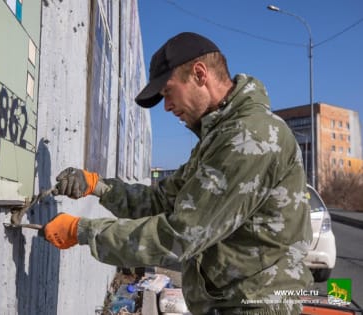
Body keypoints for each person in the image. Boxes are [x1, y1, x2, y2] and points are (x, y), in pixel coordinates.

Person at [44, 32, 313, 315]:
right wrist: (98, 186)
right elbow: (162, 200)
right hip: (231, 302)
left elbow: (182, 234)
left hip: (254, 305)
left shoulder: (250, 138)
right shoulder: (219, 138)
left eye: (168, 93)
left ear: (199, 74)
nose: (167, 106)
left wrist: (82, 231)